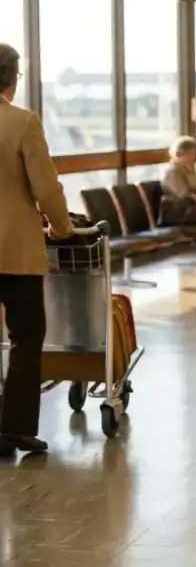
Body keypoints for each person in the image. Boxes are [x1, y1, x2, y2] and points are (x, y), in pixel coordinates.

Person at [0, 42, 73, 456]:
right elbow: (45, 187)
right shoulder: (23, 122)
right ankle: (14, 428)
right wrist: (61, 227)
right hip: (15, 251)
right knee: (26, 336)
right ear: (13, 79)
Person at [162, 136, 196, 266]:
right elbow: (183, 195)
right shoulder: (173, 172)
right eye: (191, 153)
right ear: (181, 154)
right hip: (176, 211)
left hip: (192, 208)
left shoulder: (195, 170)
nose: (194, 157)